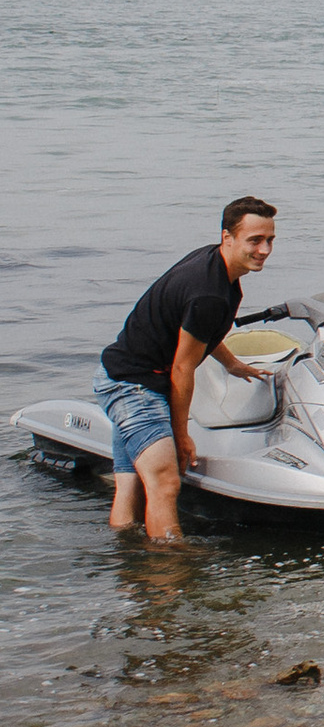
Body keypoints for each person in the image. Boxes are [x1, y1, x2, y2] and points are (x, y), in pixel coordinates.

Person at [93, 198, 279, 541]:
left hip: (120, 373)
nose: (264, 249)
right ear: (228, 238)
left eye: (270, 239)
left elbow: (194, 334)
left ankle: (125, 559)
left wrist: (233, 364)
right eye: (255, 240)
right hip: (134, 387)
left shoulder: (214, 265)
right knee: (165, 481)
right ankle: (170, 573)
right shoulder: (209, 292)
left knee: (130, 484)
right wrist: (181, 435)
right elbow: (183, 367)